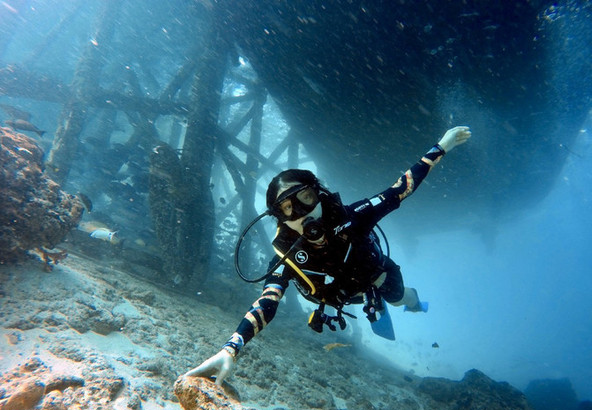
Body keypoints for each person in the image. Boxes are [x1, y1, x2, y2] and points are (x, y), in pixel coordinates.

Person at [186, 126, 472, 385]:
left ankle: (415, 302)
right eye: (287, 209)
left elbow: (400, 190)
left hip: (376, 277)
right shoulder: (286, 258)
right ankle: (384, 304)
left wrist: (441, 147)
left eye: (305, 199)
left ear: (318, 194)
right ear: (280, 219)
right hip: (336, 296)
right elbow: (267, 302)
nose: (302, 213)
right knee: (380, 301)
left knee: (399, 299)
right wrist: (230, 349)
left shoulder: (355, 216)